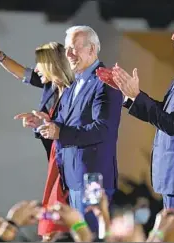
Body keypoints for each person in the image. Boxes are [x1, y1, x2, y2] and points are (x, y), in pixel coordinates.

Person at [97, 8, 174, 210]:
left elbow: (173, 123)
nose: (173, 36)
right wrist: (130, 95)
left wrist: (137, 96)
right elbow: (167, 113)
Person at [0, 33, 74, 240]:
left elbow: (70, 128)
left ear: (51, 64)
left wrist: (45, 122)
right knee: (53, 216)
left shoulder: (74, 92)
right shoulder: (50, 87)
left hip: (69, 161)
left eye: (40, 64)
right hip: (54, 158)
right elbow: (22, 73)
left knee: (58, 216)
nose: (37, 69)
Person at [32, 25, 123, 233]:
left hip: (93, 181)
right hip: (71, 179)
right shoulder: (73, 84)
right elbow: (63, 123)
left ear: (92, 50)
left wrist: (61, 133)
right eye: (67, 49)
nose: (69, 54)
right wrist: (45, 123)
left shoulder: (106, 82)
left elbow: (103, 129)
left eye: (75, 48)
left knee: (92, 237)